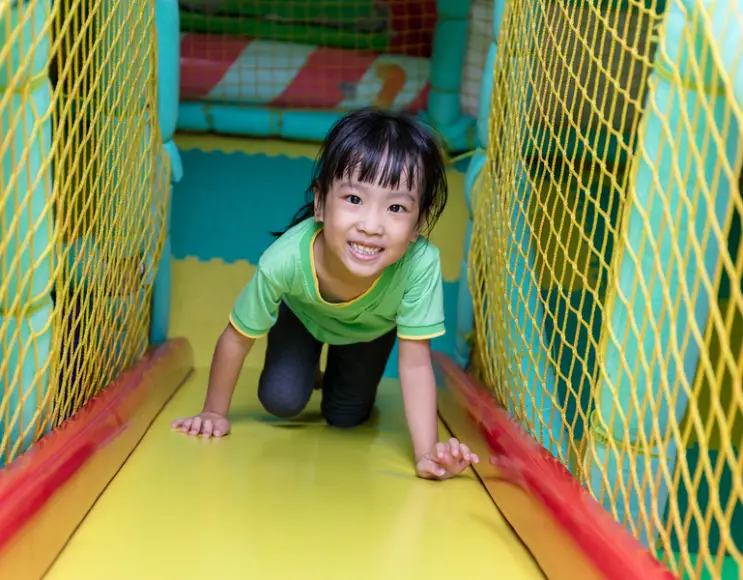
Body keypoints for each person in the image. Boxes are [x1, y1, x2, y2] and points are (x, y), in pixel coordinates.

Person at [171, 107, 479, 480]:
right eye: (354, 200)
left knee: (345, 417)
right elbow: (237, 338)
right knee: (280, 401)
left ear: (419, 224)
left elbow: (415, 364)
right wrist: (214, 412)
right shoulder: (284, 259)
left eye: (396, 207)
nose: (370, 226)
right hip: (303, 319)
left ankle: (333, 376)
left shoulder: (420, 265)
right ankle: (309, 368)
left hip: (370, 333)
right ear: (320, 202)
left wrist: (426, 454)